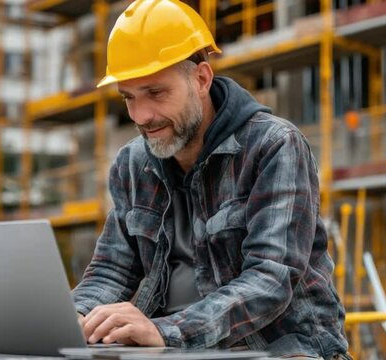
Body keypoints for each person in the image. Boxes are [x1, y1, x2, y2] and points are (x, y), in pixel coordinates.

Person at [72, 0, 349, 358]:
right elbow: (111, 272)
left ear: (201, 79)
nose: (142, 116)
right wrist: (75, 318)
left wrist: (163, 330)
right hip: (173, 349)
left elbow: (270, 279)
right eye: (129, 97)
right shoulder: (132, 163)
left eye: (156, 93)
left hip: (282, 351)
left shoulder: (273, 146)